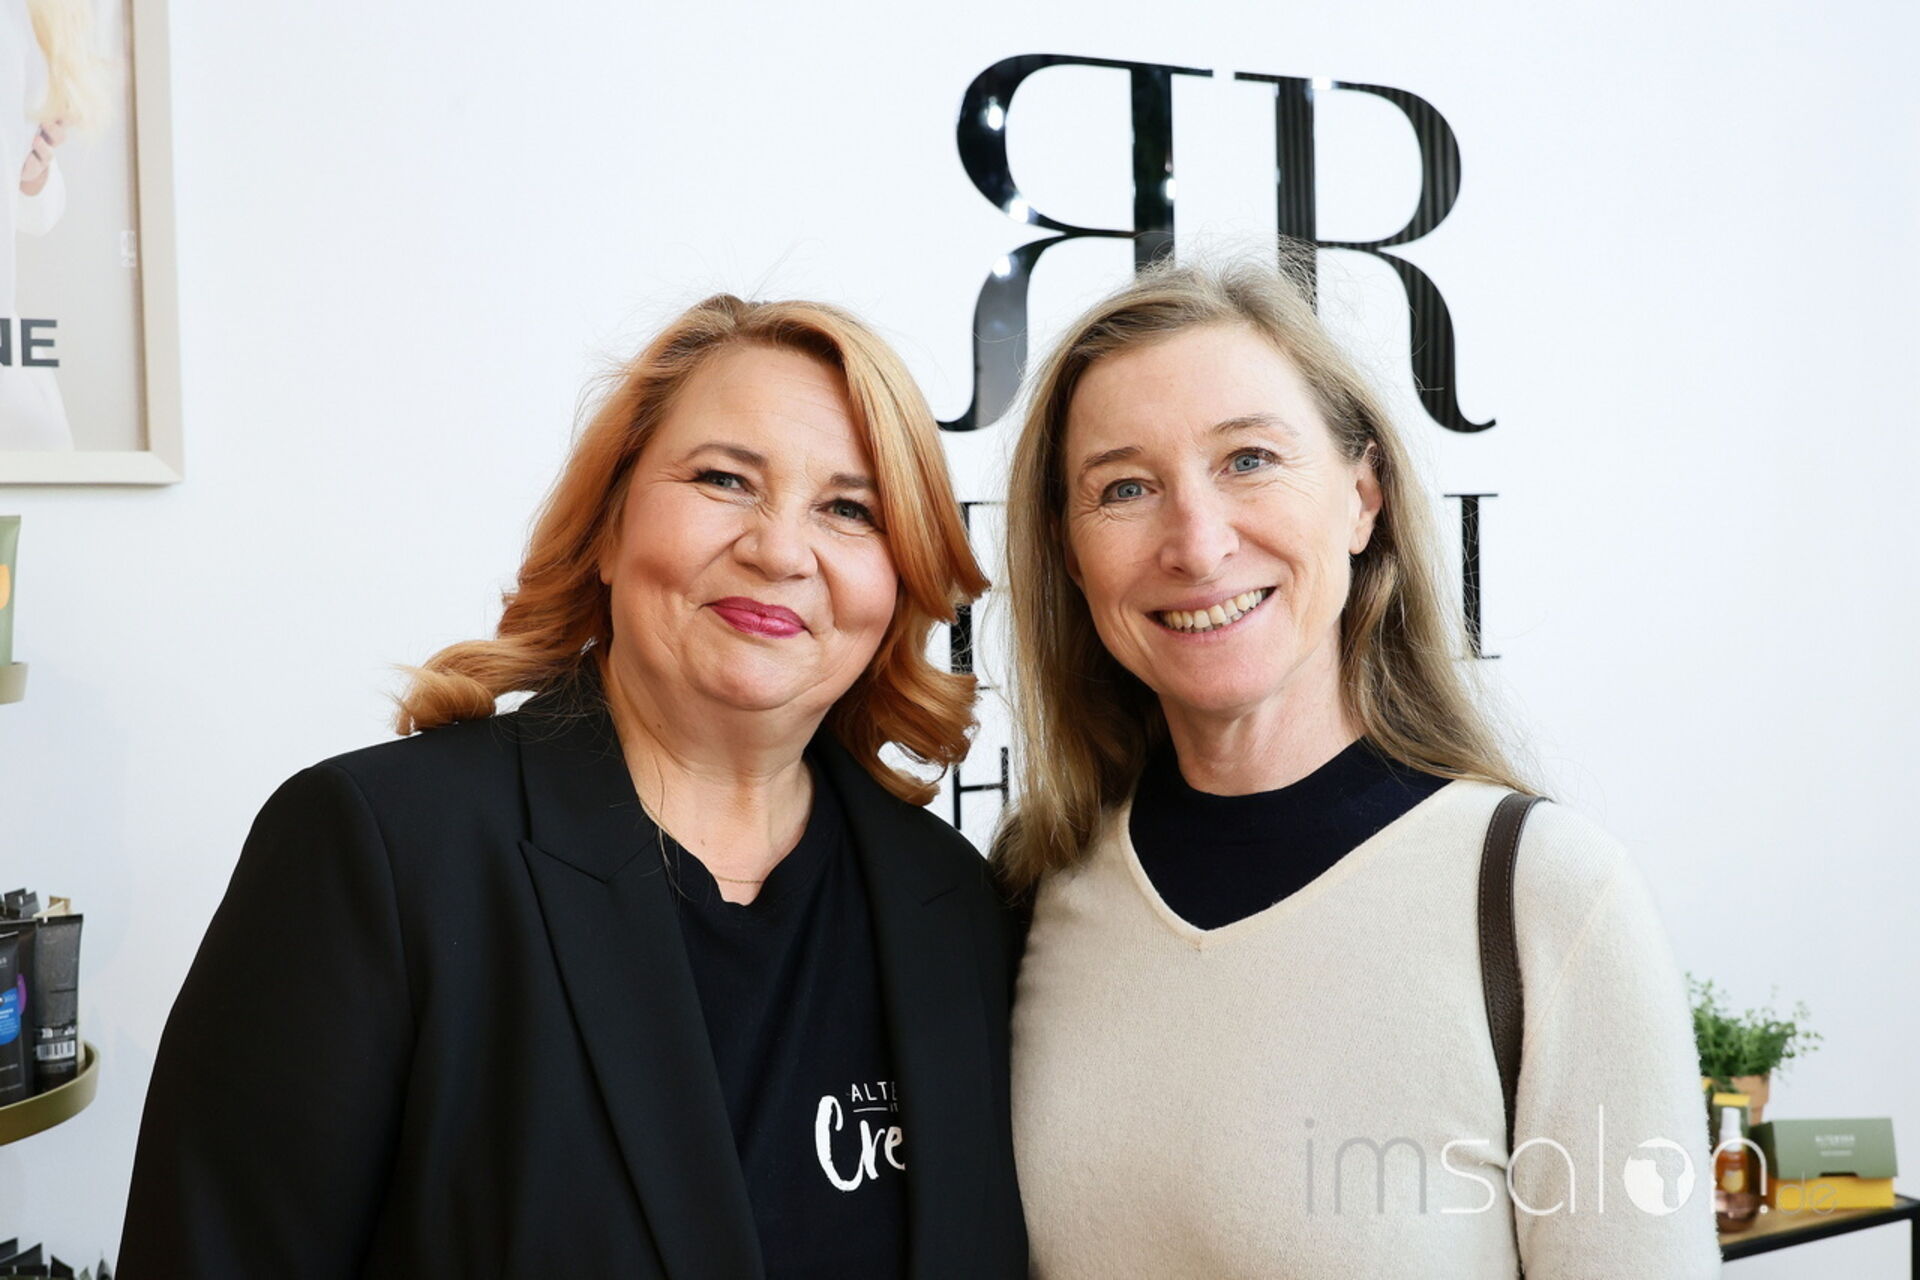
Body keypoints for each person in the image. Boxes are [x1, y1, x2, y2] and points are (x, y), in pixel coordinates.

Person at [119, 295, 1028, 1278]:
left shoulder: (953, 902)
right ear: (606, 525)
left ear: (903, 575)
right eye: (724, 480)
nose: (777, 549)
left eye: (850, 509)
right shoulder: (378, 852)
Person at [996, 255, 1720, 1278]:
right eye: (1125, 487)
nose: (1197, 543)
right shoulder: (1035, 887)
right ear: (1071, 554)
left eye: (1249, 459)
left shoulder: (1543, 895)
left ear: (1362, 495)